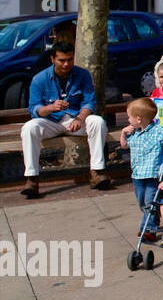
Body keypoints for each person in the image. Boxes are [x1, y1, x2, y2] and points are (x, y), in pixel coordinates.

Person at [21, 41, 112, 198]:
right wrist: (51, 107)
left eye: (69, 59)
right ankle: (32, 178)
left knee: (97, 122)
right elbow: (34, 109)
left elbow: (89, 102)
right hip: (50, 121)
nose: (66, 64)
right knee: (29, 127)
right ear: (52, 59)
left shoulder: (82, 75)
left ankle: (97, 171)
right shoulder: (39, 79)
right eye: (61, 60)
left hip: (75, 119)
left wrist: (80, 118)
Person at [120, 98, 163, 241]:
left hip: (153, 175)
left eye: (129, 117)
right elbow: (124, 145)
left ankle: (148, 229)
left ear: (138, 119)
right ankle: (155, 216)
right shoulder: (133, 133)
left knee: (149, 202)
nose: (128, 120)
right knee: (142, 202)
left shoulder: (159, 132)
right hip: (137, 174)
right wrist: (123, 133)